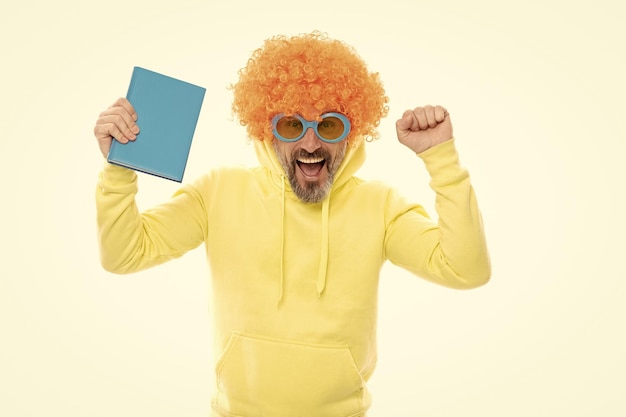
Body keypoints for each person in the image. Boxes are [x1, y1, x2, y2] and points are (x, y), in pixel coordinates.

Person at [94, 31, 490, 417]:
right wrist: (119, 168)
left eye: (329, 125)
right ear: (266, 129)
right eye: (291, 125)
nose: (312, 143)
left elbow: (465, 269)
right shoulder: (219, 192)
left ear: (353, 132)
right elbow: (125, 255)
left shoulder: (380, 206)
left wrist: (441, 158)